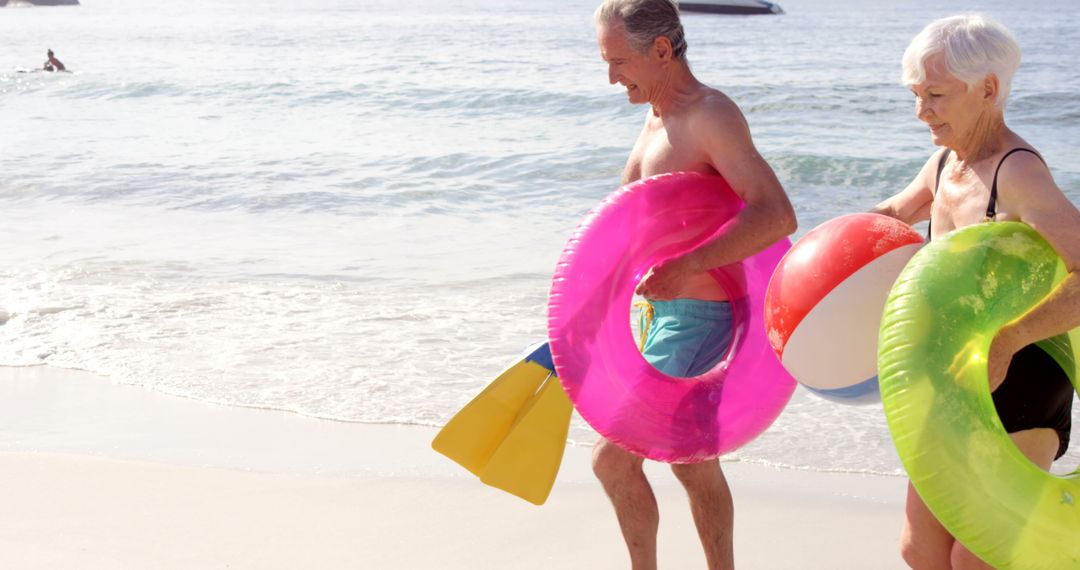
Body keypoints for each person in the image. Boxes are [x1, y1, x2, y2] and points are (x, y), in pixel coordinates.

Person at [871, 14, 1080, 569]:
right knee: (920, 550)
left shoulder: (1018, 173)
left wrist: (1010, 340)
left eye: (936, 95)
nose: (922, 112)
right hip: (950, 374)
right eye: (917, 95)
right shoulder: (943, 163)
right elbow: (888, 217)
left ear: (988, 89)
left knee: (978, 557)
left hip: (1024, 372)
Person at [592, 1, 796, 568]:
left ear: (661, 51)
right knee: (691, 459)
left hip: (700, 317)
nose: (611, 77)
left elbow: (776, 215)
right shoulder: (656, 114)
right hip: (658, 314)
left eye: (618, 61)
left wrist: (684, 268)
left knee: (612, 457)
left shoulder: (710, 115)